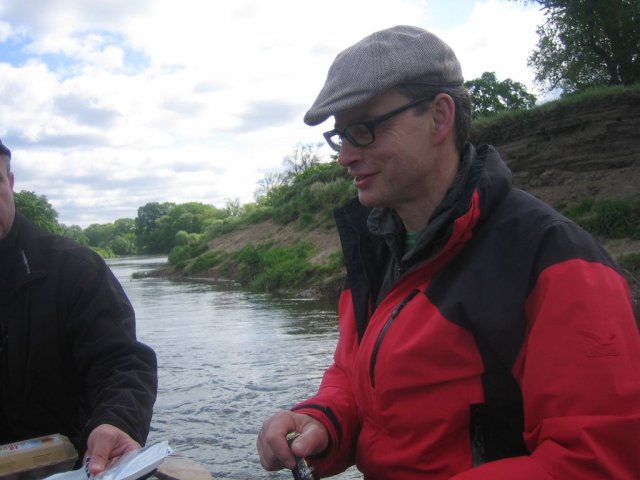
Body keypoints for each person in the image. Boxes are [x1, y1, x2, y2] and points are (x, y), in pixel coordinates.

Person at [256, 25, 640, 479]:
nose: (345, 157)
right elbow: (354, 376)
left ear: (439, 117)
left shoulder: (552, 258)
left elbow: (599, 459)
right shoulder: (377, 248)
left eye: (364, 130)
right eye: (341, 136)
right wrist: (321, 422)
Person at [0, 138, 158, 476]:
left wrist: (117, 420)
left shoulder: (75, 270)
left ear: (10, 183)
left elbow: (122, 362)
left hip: (68, 467)